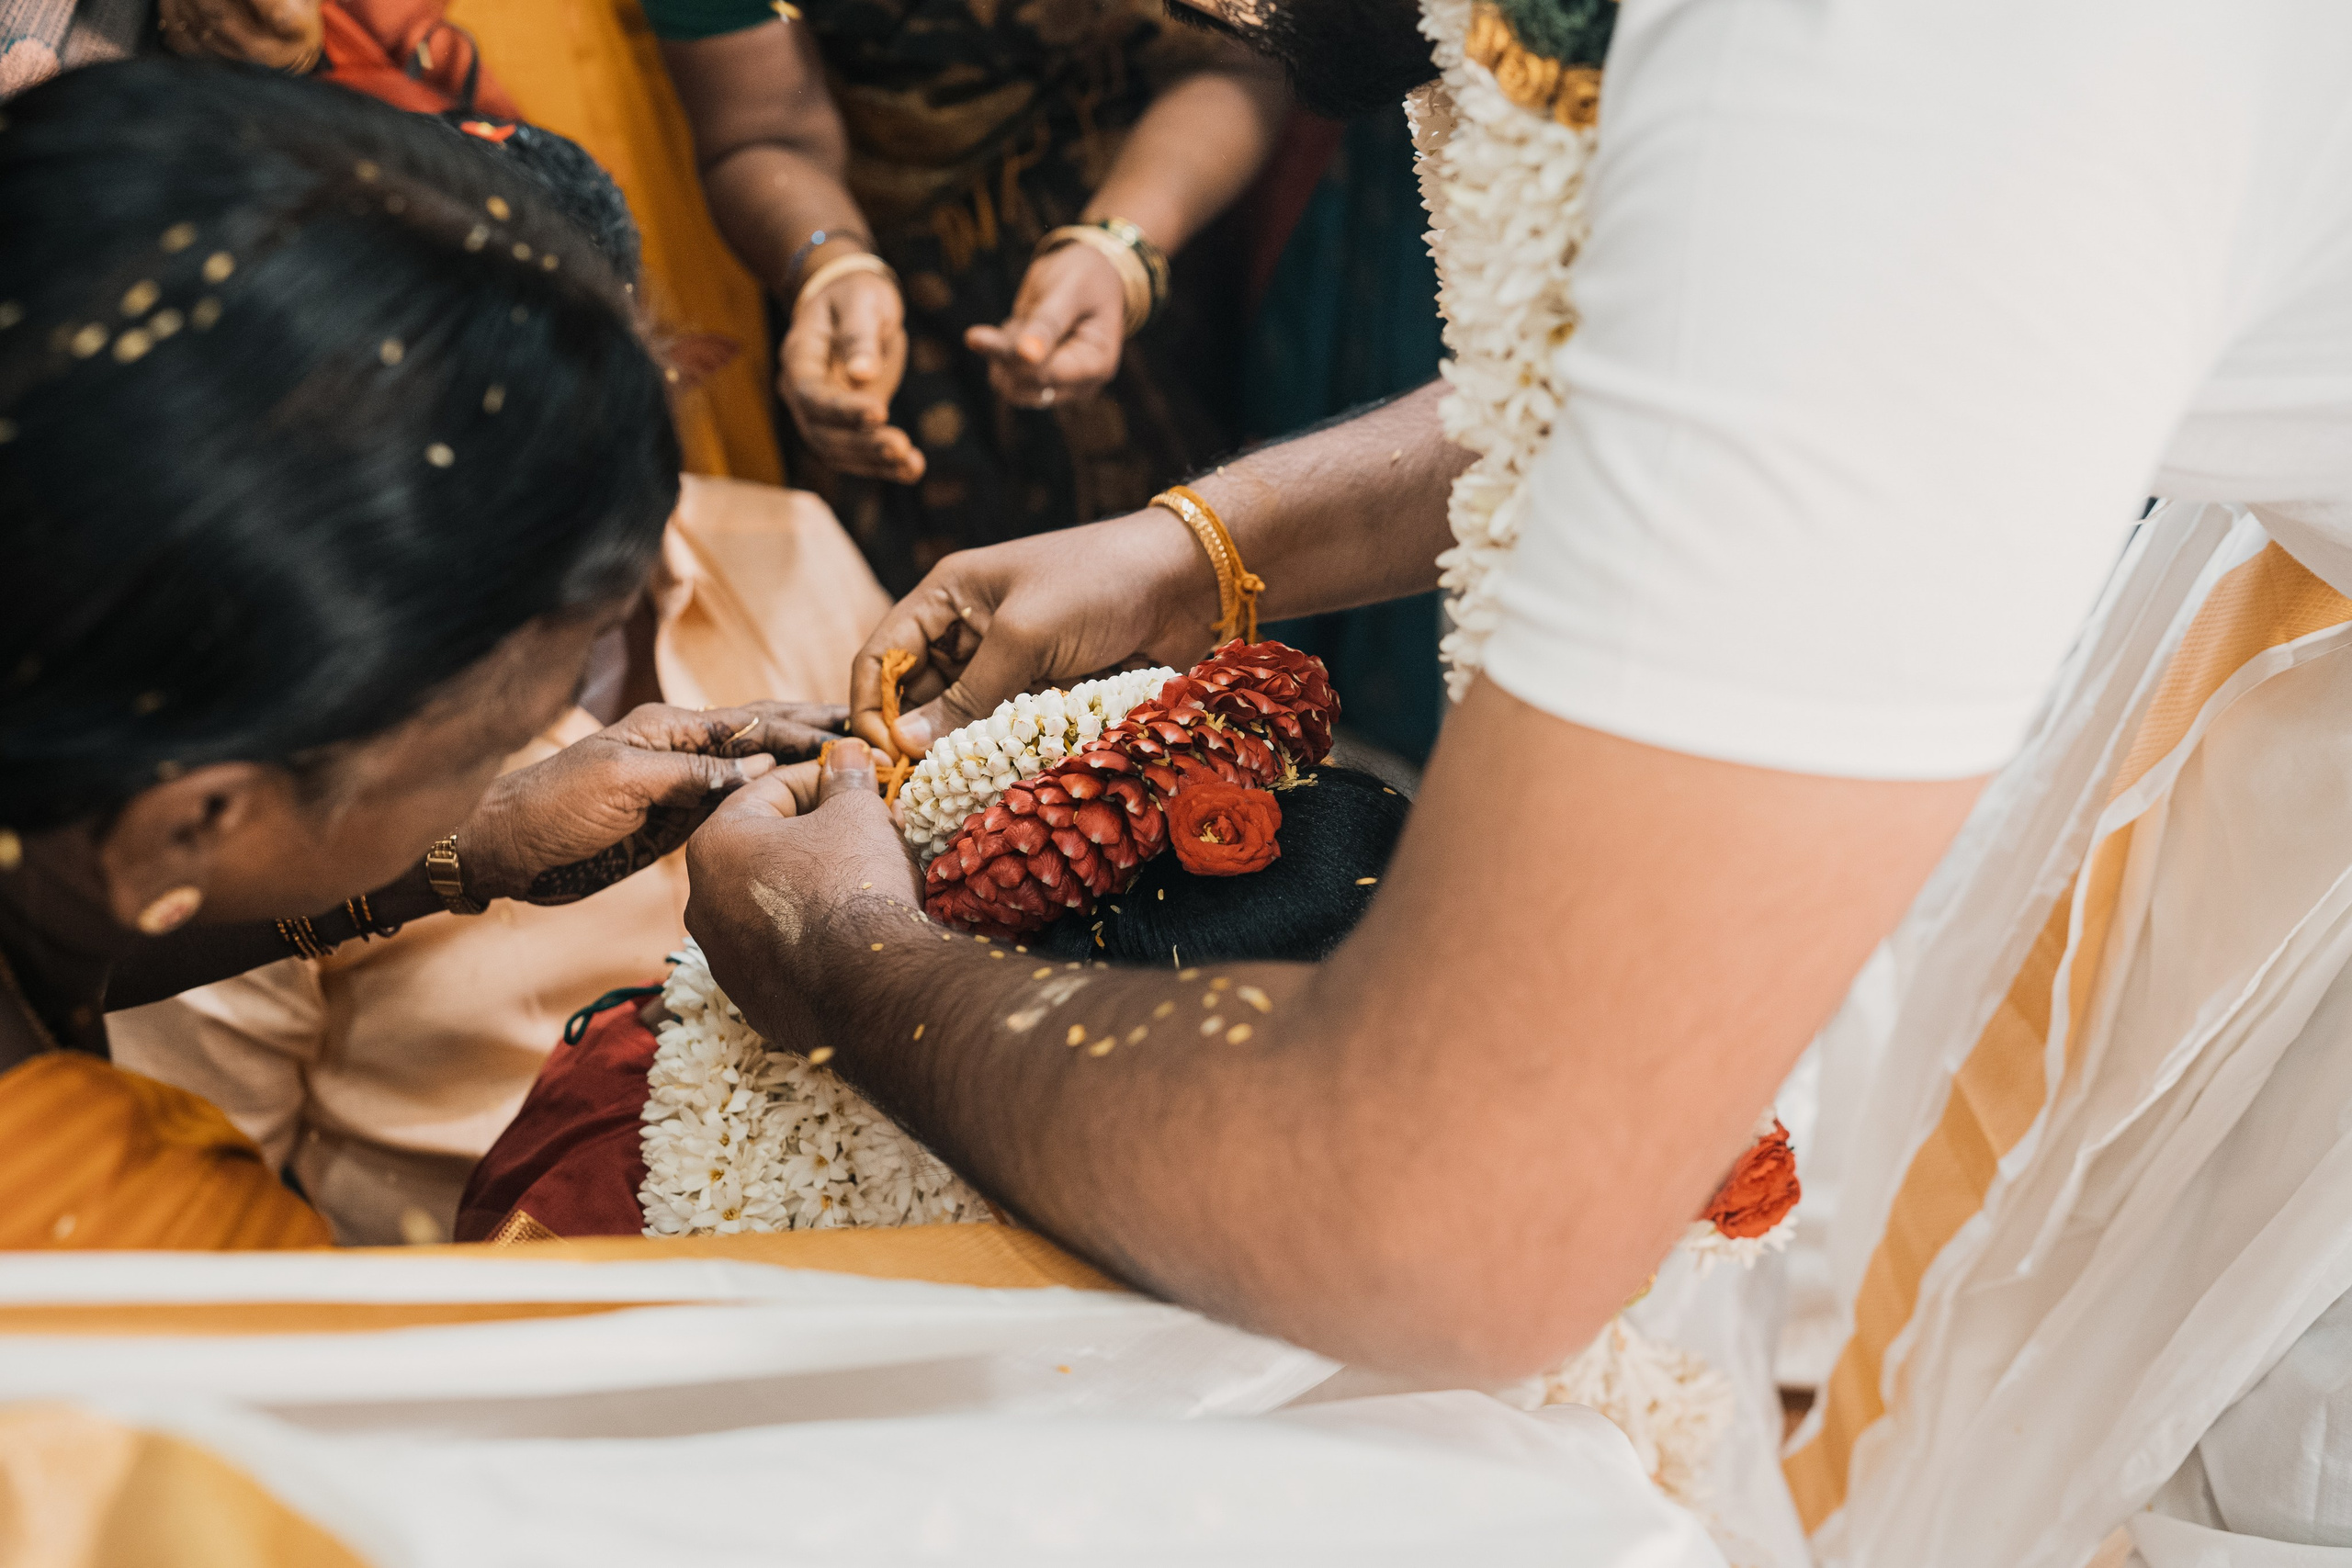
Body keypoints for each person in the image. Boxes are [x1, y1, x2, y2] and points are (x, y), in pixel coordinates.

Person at [674, 0, 2352, 1560]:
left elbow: (1448, 1216)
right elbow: (1755, 372)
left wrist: (856, 967)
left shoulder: (1900, 56)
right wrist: (1197, 551)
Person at [0, 59, 835, 1248]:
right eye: (500, 735)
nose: (534, 752)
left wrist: (466, 848)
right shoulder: (158, 1256)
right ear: (188, 828)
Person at [650, 0, 1293, 593]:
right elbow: (760, 131)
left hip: (1164, 238)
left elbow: (1248, 57)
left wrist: (1120, 247)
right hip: (893, 315)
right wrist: (832, 269)